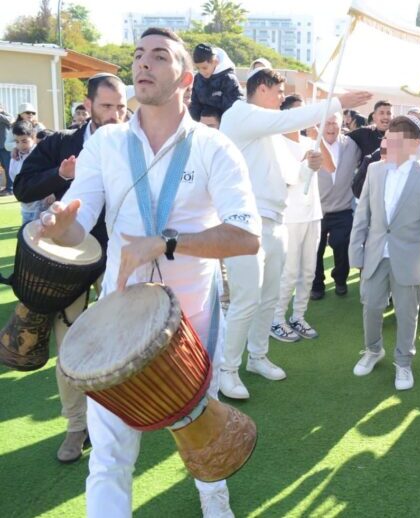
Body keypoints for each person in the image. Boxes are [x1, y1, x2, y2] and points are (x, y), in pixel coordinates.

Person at [36, 27, 262, 518]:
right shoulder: (108, 144)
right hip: (115, 326)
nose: (143, 63)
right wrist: (61, 226)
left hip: (191, 325)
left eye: (159, 56)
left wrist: (168, 242)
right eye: (139, 55)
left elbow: (247, 236)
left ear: (184, 77)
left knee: (206, 443)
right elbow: (84, 225)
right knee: (110, 458)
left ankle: (215, 505)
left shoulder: (212, 147)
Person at [218, 68, 370, 399]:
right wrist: (336, 102)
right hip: (245, 222)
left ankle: (257, 357)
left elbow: (292, 178)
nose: (281, 97)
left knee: (269, 297)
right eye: (278, 90)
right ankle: (227, 370)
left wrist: (309, 166)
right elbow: (291, 119)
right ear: (260, 88)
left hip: (275, 221)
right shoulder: (241, 114)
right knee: (245, 298)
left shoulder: (267, 131)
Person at [15, 72, 127, 463]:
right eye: (107, 106)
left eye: (121, 107)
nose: (115, 115)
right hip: (70, 259)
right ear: (89, 104)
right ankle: (76, 426)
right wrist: (62, 175)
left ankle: (117, 417)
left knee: (123, 340)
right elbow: (23, 188)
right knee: (70, 346)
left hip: (122, 255)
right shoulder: (62, 143)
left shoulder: (137, 143)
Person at [349, 116, 420, 391]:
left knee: (406, 314)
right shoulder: (375, 171)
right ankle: (372, 350)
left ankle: (403, 363)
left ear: (414, 144)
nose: (386, 143)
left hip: (410, 259)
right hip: (375, 254)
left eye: (394, 139)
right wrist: (356, 254)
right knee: (370, 306)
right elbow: (362, 216)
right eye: (386, 138)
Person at [270, 105, 326, 342]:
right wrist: (304, 163)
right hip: (290, 217)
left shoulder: (309, 142)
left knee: (308, 271)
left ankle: (298, 316)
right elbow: (285, 178)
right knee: (289, 272)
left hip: (313, 214)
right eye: (295, 112)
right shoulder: (275, 144)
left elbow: (331, 167)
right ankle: (276, 319)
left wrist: (318, 141)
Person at [311, 112, 361, 300]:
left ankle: (340, 279)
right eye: (327, 123)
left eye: (335, 123)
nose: (331, 127)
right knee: (316, 250)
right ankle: (317, 284)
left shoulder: (352, 145)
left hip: (343, 208)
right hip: (317, 209)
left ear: (342, 124)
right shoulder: (312, 145)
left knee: (342, 246)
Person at [8, 121, 50, 225]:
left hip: (43, 206)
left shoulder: (41, 154)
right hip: (26, 207)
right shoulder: (15, 157)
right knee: (27, 235)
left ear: (34, 137)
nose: (21, 145)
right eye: (17, 142)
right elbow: (14, 177)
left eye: (24, 141)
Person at [189, 43, 243, 121]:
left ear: (215, 61)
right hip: (203, 125)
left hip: (224, 126)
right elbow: (195, 105)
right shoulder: (198, 79)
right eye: (198, 68)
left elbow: (234, 108)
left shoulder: (228, 79)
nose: (201, 72)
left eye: (204, 68)